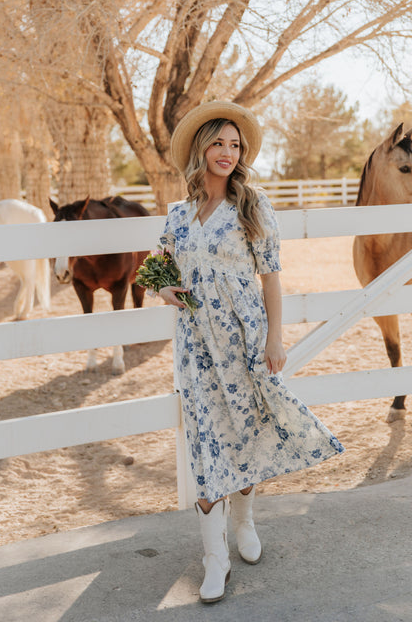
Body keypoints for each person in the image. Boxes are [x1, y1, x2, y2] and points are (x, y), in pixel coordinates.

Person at [158, 101, 345, 603]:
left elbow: (272, 278)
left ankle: (245, 523)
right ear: (201, 148)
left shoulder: (252, 204)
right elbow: (158, 267)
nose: (226, 152)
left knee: (242, 434)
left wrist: (275, 338)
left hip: (244, 341)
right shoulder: (177, 214)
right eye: (218, 142)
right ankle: (213, 560)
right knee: (204, 446)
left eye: (234, 145)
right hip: (195, 348)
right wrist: (163, 289)